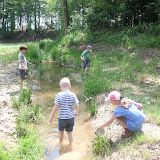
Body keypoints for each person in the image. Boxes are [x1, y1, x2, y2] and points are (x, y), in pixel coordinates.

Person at [49, 77, 79, 145]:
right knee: (69, 132)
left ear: (61, 87)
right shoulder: (72, 95)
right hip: (71, 118)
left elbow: (56, 107)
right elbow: (77, 106)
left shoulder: (59, 95)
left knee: (61, 132)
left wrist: (51, 116)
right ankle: (71, 144)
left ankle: (60, 144)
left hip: (62, 118)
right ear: (70, 86)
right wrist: (76, 111)